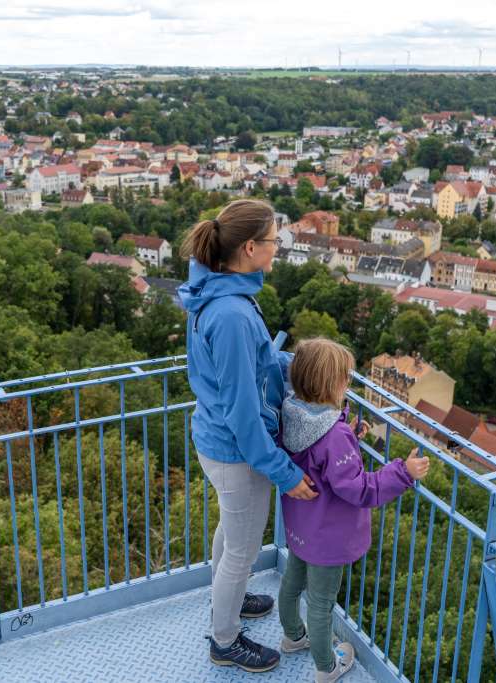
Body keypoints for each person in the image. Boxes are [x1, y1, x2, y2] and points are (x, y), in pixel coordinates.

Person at [177, 199, 318, 673]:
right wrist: (284, 473)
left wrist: (290, 366)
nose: (278, 248)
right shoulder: (233, 314)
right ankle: (224, 639)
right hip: (236, 449)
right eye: (275, 240)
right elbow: (242, 411)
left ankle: (229, 602)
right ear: (251, 247)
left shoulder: (215, 292)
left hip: (216, 438)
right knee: (241, 547)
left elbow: (247, 371)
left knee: (230, 532)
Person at [277, 338, 430, 682]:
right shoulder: (334, 436)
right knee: (321, 604)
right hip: (329, 537)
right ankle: (326, 667)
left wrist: (349, 433)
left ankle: (292, 636)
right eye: (346, 378)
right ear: (331, 384)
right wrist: (403, 472)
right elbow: (358, 489)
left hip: (301, 526)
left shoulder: (291, 412)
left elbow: (319, 460)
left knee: (292, 583)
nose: (349, 383)